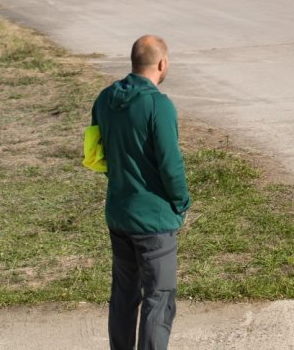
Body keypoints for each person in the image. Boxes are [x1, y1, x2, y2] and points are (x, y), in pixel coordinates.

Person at [91, 35, 189, 350]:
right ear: (162, 64)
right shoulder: (158, 104)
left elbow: (96, 155)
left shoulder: (104, 99)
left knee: (124, 294)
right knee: (158, 298)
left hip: (118, 213)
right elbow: (170, 165)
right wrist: (180, 203)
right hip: (155, 219)